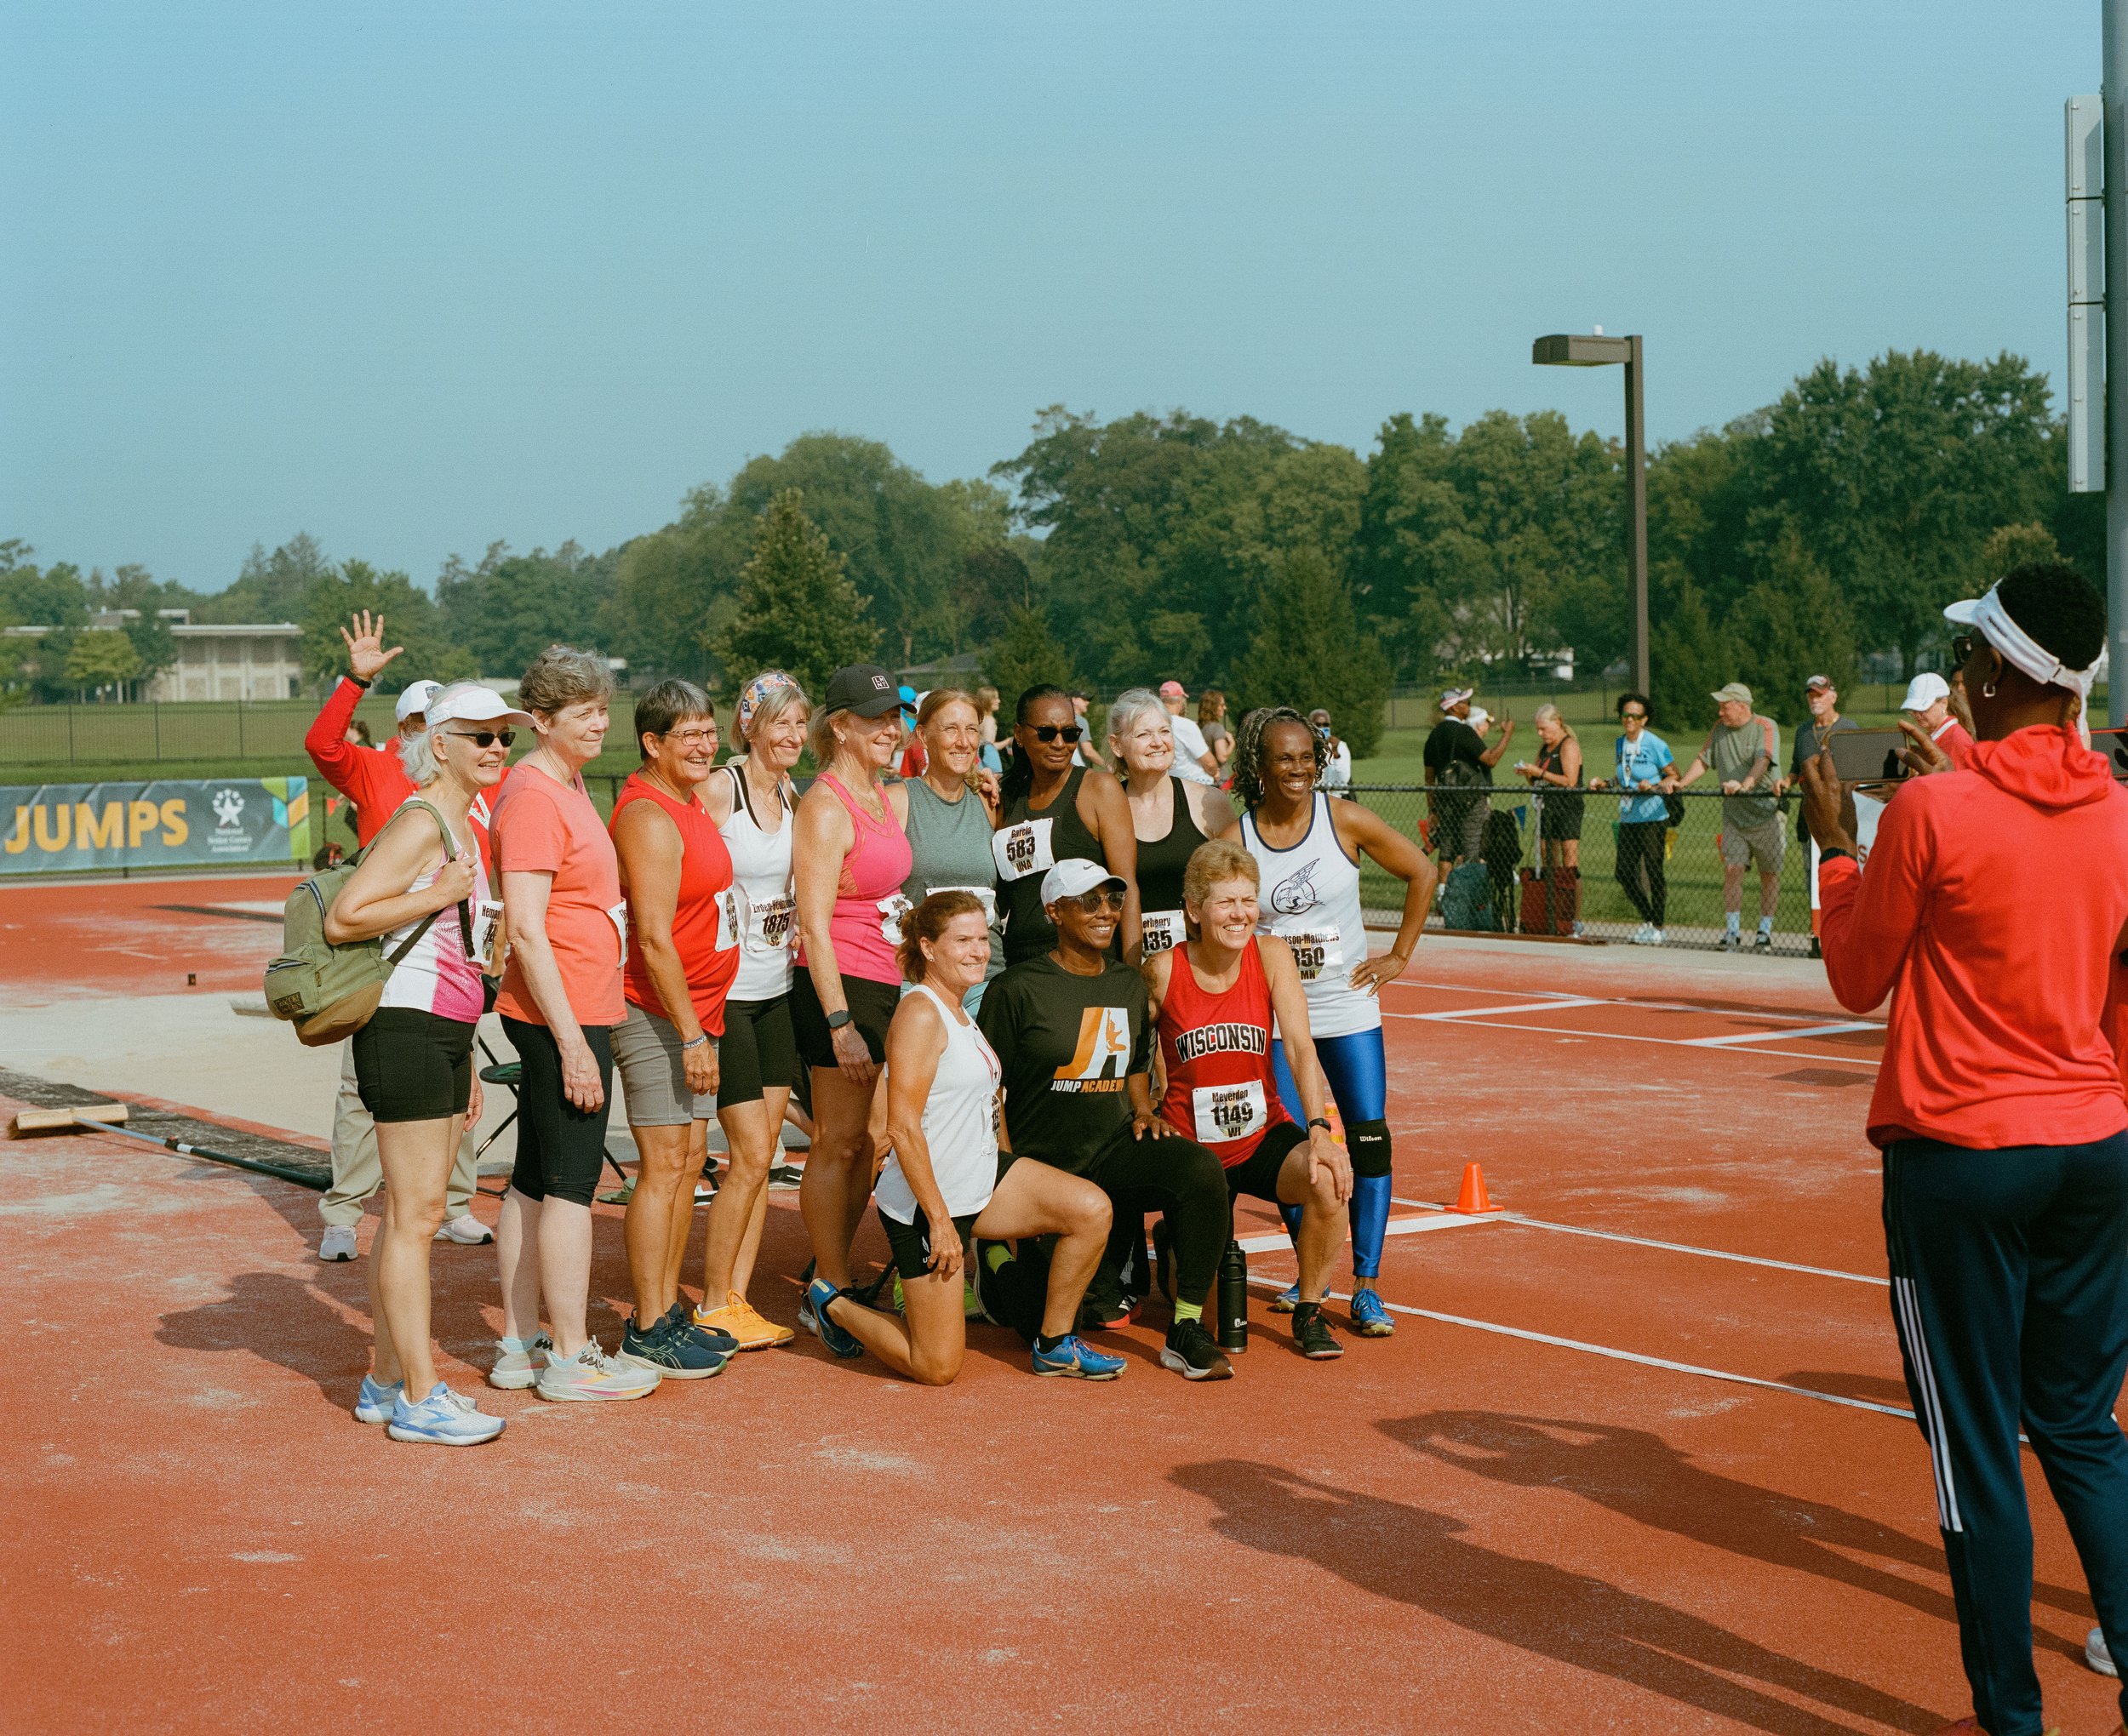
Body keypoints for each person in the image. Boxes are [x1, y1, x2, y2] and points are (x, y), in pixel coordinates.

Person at [1799, 562, 2128, 1736]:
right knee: (2085, 1423)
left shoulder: (1935, 810)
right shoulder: (2124, 812)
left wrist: (1835, 851)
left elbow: (1855, 974)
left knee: (1977, 1448)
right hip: (2096, 1145)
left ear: (1991, 673)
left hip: (1962, 1152)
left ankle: (2012, 1718)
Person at [808, 891, 1126, 1383]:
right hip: (926, 1202)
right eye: (963, 941)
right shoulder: (920, 1013)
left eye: (983, 938)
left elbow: (985, 1103)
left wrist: (1012, 1168)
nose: (978, 950)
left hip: (979, 1180)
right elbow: (903, 1127)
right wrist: (938, 1221)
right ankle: (833, 1304)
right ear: (929, 947)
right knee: (935, 1367)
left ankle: (1055, 1343)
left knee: (1090, 1208)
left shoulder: (960, 1011)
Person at [325, 682, 522, 1446]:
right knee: (415, 1219)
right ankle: (418, 1394)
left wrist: (466, 1050)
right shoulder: (421, 821)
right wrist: (436, 892)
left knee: (421, 1214)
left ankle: (383, 1382)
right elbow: (348, 917)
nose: (496, 748)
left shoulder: (461, 823)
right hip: (402, 1026)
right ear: (439, 744)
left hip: (442, 1028)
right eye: (480, 735)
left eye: (503, 736)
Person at [977, 859, 1238, 1379]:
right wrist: (1003, 1172)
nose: (1106, 912)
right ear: (1054, 911)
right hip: (1044, 1167)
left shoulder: (1126, 982)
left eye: (1113, 901)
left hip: (1112, 1148)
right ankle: (992, 1257)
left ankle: (1186, 1326)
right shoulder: (1016, 989)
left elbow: (1137, 1060)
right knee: (1033, 1320)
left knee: (1200, 1171)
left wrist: (1144, 1108)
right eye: (1089, 901)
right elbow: (990, 1090)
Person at [1225, 706, 1436, 1336]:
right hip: (1276, 1018)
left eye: (1307, 757)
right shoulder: (1239, 839)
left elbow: (1421, 870)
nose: (1298, 769)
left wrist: (1399, 955)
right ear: (1258, 768)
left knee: (1368, 1138)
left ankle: (1366, 1286)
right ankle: (1309, 1274)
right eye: (1284, 758)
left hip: (1347, 1007)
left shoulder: (1342, 819)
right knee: (1295, 1146)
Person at [489, 645, 660, 1403]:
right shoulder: (532, 795)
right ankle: (568, 1356)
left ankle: (519, 1345)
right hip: (562, 1014)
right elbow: (524, 928)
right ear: (540, 721)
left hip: (578, 1006)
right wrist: (571, 1046)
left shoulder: (569, 783)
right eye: (581, 712)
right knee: (571, 1186)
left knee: (532, 1181)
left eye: (602, 708)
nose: (600, 722)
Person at [304, 611, 490, 1262]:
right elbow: (323, 746)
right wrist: (354, 682)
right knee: (362, 1092)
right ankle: (345, 1209)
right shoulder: (380, 773)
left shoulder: (470, 796)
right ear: (413, 731)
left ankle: (454, 1204)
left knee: (457, 1094)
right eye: (422, 721)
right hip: (389, 963)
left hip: (454, 970)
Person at [1145, 840, 1353, 1361]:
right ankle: (1175, 1242)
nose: (1240, 914)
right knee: (1216, 1326)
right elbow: (1131, 1052)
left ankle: (1309, 1309)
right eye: (1225, 902)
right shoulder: (1163, 969)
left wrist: (1320, 1128)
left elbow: (1302, 1049)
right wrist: (1143, 1108)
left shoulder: (1272, 955)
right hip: (1192, 1150)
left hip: (1259, 1135)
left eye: (1248, 900)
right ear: (1194, 910)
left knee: (1327, 1177)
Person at [607, 681, 741, 1380]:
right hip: (659, 1012)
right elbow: (653, 940)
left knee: (689, 1165)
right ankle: (647, 1324)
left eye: (709, 731)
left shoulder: (689, 803)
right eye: (686, 734)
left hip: (698, 1011)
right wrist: (691, 1035)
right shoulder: (648, 815)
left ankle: (668, 1307)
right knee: (662, 1169)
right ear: (652, 743)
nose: (704, 744)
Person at [790, 664, 914, 1333]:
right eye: (876, 718)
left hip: (887, 984)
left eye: (896, 716)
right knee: (838, 1141)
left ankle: (830, 1272)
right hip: (841, 990)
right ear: (839, 725)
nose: (890, 730)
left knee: (870, 1138)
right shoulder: (826, 805)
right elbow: (812, 924)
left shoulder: (884, 796)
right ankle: (828, 1285)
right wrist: (840, 1023)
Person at [689, 672, 809, 1351]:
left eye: (800, 724)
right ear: (750, 727)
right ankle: (710, 1302)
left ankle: (735, 1297)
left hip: (776, 992)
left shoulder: (791, 793)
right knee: (751, 1151)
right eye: (780, 724)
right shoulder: (721, 790)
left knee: (765, 1159)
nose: (792, 736)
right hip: (727, 994)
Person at [992, 683, 1140, 968]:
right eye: (1046, 733)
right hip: (1021, 965)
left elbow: (1128, 888)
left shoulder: (1099, 789)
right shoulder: (1005, 796)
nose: (1060, 744)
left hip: (1088, 963)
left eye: (1070, 734)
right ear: (1020, 735)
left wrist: (1132, 977)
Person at [1108, 688, 1234, 959]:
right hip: (1127, 967)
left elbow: (1241, 886)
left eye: (1164, 732)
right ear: (1116, 745)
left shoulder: (1209, 803)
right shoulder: (1104, 808)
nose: (1158, 743)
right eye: (1143, 734)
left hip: (1201, 969)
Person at [1674, 682, 1783, 952]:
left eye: (1725, 706)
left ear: (1742, 706)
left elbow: (1763, 760)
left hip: (1766, 814)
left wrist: (1744, 785)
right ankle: (1732, 932)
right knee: (1732, 870)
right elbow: (1704, 760)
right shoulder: (1719, 729)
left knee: (1769, 873)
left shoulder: (1764, 726)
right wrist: (1682, 783)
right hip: (1734, 817)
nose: (1721, 712)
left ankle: (1764, 933)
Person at [1592, 691, 1673, 945]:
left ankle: (1659, 926)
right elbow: (1623, 777)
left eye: (1635, 716)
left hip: (1652, 815)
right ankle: (1648, 919)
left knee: (1653, 869)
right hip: (1629, 816)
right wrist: (1605, 783)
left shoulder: (1655, 743)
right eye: (1626, 715)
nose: (1630, 720)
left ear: (1644, 720)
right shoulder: (1620, 744)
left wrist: (1654, 785)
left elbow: (1673, 776)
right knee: (1623, 872)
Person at [1513, 702, 1584, 935]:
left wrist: (1539, 772)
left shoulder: (1568, 745)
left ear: (1558, 723)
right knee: (1547, 862)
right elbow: (1538, 782)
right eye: (1538, 729)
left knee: (1569, 864)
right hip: (1547, 810)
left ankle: (1573, 918)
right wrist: (1529, 774)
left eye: (1544, 729)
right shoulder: (1545, 748)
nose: (1541, 734)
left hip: (1567, 809)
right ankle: (1552, 914)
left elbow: (1570, 781)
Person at [1422, 687, 1513, 865]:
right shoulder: (1464, 732)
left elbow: (1429, 778)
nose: (1468, 705)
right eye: (1465, 702)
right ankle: (1471, 890)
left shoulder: (1434, 735)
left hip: (1445, 799)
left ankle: (1442, 891)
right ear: (1453, 707)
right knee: (1471, 846)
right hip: (1470, 798)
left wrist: (1432, 810)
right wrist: (1508, 733)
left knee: (1446, 849)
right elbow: (1491, 759)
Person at [1902, 671, 1975, 768]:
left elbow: (1960, 781)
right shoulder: (1936, 734)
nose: (1918, 715)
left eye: (1924, 708)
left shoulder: (1956, 738)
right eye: (1913, 710)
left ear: (1944, 703)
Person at [1158, 680, 1219, 785]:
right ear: (1180, 701)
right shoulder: (1186, 725)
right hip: (1196, 782)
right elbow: (1209, 763)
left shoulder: (1154, 724)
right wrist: (1215, 772)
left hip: (1169, 784)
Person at [1308, 709, 1353, 791]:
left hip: (1336, 796)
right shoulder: (1306, 746)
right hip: (1314, 795)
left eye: (1325, 725)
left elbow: (1344, 779)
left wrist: (1335, 752)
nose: (1322, 728)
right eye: (1318, 725)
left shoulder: (1341, 746)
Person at [1198, 688, 1233, 778]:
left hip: (1203, 776)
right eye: (1221, 705)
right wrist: (1232, 744)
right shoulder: (1217, 728)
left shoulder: (1198, 727)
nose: (1224, 708)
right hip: (1219, 780)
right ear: (1213, 707)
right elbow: (1222, 757)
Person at [975, 685, 1005, 777]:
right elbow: (989, 745)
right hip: (987, 759)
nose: (998, 701)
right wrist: (1008, 741)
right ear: (987, 701)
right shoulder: (989, 721)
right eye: (995, 698)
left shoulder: (978, 718)